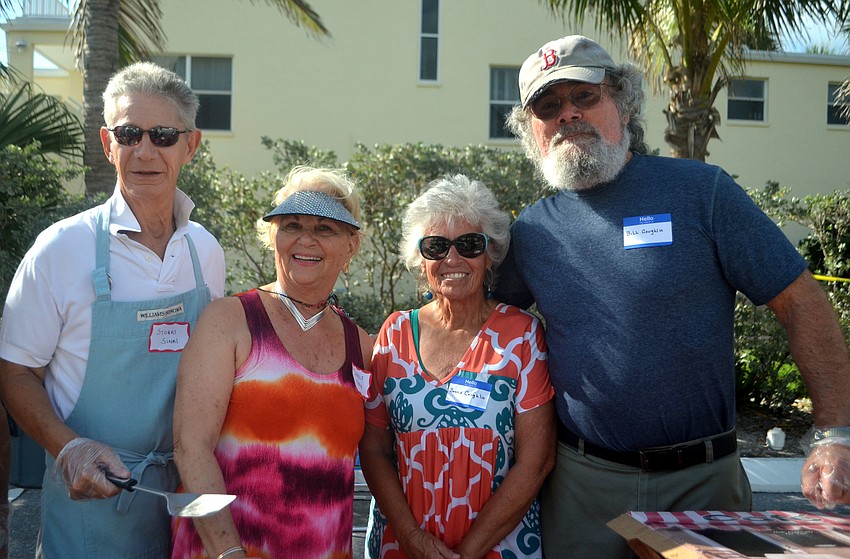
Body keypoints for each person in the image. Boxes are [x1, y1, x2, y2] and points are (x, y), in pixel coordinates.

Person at [497, 34, 850, 558]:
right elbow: (483, 326)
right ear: (534, 131)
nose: (568, 113)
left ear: (623, 100)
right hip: (580, 487)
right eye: (549, 106)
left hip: (703, 483)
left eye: (585, 96)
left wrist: (834, 434)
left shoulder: (702, 191)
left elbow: (801, 302)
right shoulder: (532, 230)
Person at [0, 61, 225, 558]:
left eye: (163, 135)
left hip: (183, 502)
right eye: (129, 133)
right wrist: (70, 448)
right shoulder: (60, 250)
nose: (145, 150)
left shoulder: (205, 252)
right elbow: (14, 372)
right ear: (108, 143)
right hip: (90, 506)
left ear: (191, 145)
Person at [171, 165, 374, 559]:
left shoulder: (362, 346)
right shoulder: (228, 321)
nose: (305, 239)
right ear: (273, 236)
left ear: (351, 246)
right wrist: (229, 553)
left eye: (325, 228)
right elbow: (190, 447)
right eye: (292, 224)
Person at [360, 174, 556, 559]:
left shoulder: (521, 335)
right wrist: (414, 540)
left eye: (469, 244)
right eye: (436, 247)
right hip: (403, 547)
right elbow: (375, 450)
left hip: (499, 547)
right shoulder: (395, 332)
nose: (452, 259)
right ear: (421, 260)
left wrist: (467, 553)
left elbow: (536, 462)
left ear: (490, 253)